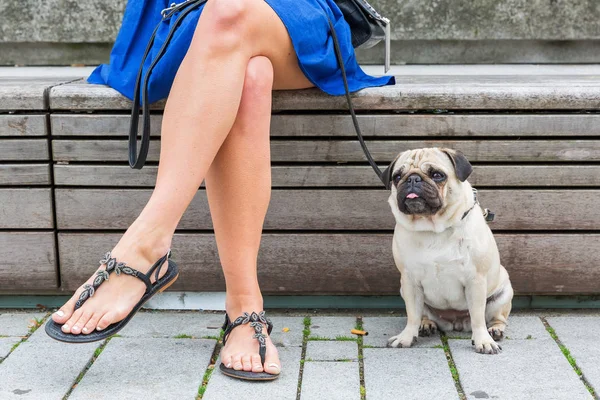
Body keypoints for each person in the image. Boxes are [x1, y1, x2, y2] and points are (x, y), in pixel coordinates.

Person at [47, 0, 394, 380]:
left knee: (228, 13)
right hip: (185, 19)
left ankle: (146, 244)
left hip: (291, 19)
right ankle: (244, 304)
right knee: (251, 76)